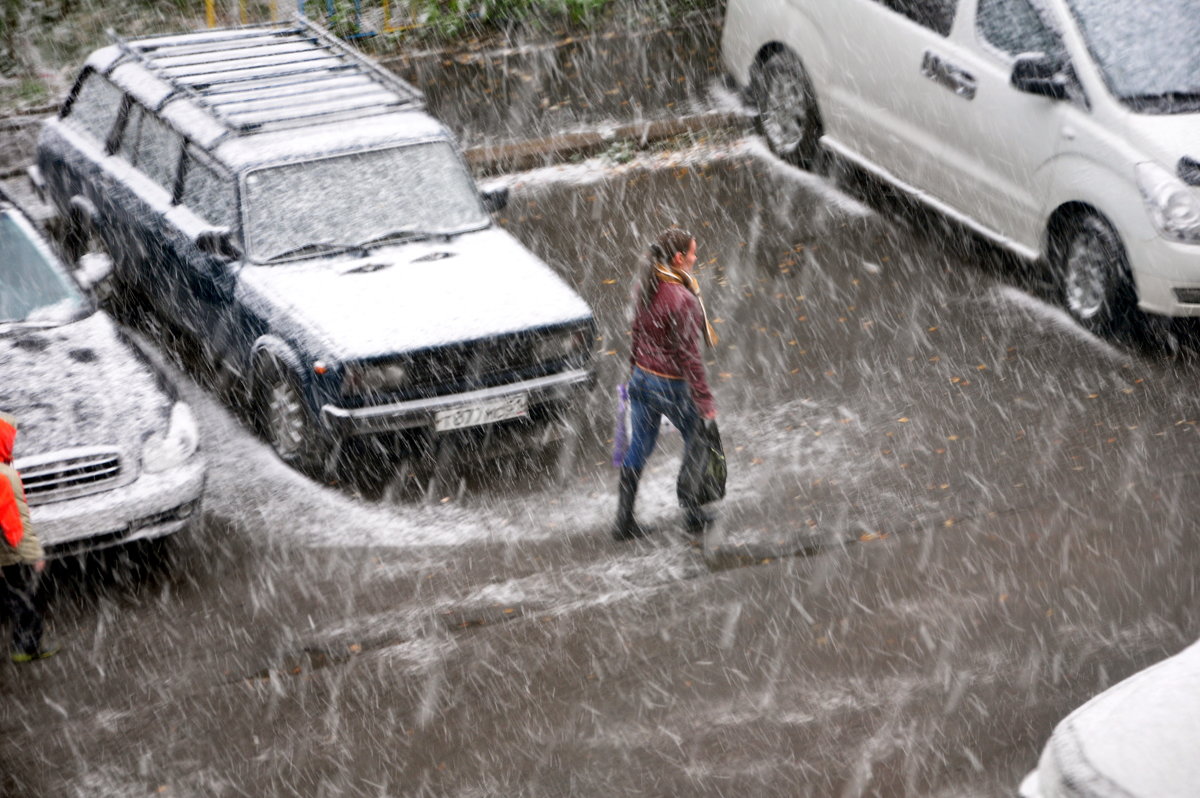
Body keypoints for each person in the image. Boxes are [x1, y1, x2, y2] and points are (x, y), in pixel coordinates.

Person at [614, 228, 720, 540]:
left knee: (640, 445)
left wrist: (634, 370)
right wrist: (705, 402)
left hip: (641, 379)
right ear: (677, 258)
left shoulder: (645, 285)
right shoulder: (682, 299)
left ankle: (623, 522)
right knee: (697, 435)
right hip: (669, 384)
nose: (695, 258)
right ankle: (694, 512)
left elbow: (637, 332)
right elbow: (690, 357)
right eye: (691, 253)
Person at [0, 411, 56, 663]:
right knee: (26, 601)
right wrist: (35, 555)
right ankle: (26, 647)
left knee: (17, 598)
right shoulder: (5, 476)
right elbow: (16, 522)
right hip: (9, 554)